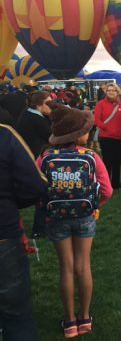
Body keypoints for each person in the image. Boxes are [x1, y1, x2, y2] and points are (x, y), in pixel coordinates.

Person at [37, 102, 112, 338]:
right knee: (83, 266)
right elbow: (107, 190)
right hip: (85, 216)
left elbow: (36, 188)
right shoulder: (91, 156)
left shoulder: (46, 157)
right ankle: (85, 317)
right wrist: (94, 206)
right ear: (79, 134)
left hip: (56, 218)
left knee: (66, 268)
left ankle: (70, 321)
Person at [0, 124, 47, 341]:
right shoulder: (4, 134)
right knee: (17, 314)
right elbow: (36, 184)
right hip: (4, 234)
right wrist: (10, 201)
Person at [15, 91, 53, 238]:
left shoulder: (28, 114)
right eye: (48, 103)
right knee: (43, 192)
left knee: (43, 191)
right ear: (39, 104)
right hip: (37, 157)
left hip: (32, 156)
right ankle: (39, 227)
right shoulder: (35, 119)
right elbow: (49, 136)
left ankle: (42, 225)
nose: (50, 106)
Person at [94, 82, 121, 191]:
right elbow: (96, 119)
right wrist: (105, 127)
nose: (111, 92)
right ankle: (106, 185)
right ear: (106, 92)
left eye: (113, 90)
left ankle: (116, 183)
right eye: (109, 90)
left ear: (117, 92)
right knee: (107, 162)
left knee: (117, 161)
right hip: (107, 138)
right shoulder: (101, 104)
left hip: (120, 138)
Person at [15, 90, 52, 158]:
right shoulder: (37, 119)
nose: (51, 106)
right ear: (38, 105)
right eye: (48, 103)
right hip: (35, 155)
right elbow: (50, 137)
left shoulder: (28, 112)